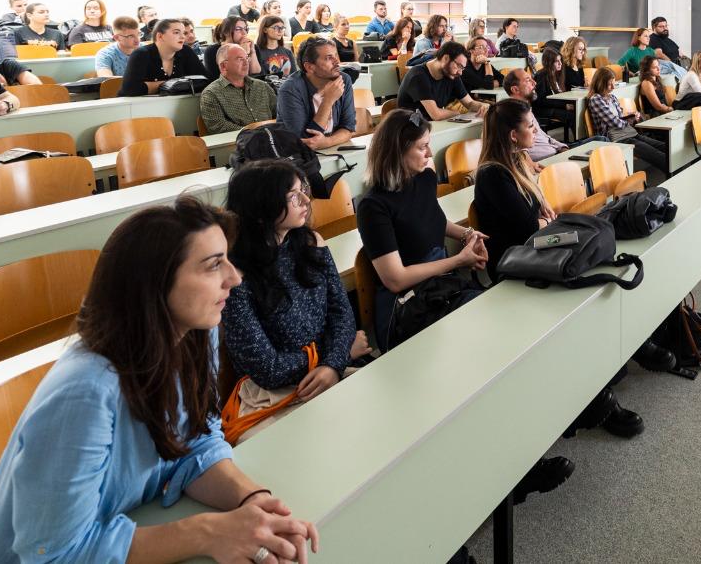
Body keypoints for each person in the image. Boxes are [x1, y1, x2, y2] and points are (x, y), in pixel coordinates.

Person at [0, 197, 320, 564]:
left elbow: (196, 442)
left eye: (227, 260)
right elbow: (56, 553)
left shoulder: (193, 334)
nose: (235, 278)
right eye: (212, 266)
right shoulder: (86, 392)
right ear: (155, 285)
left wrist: (254, 503)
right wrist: (208, 532)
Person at [473, 99, 647, 441]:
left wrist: (543, 218)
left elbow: (539, 219)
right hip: (517, 266)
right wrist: (543, 222)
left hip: (537, 252)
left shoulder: (517, 163)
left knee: (599, 277)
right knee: (581, 309)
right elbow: (529, 227)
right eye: (530, 127)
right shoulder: (493, 174)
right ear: (512, 135)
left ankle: (626, 358)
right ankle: (597, 403)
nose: (536, 131)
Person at [221, 160, 356, 409]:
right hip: (274, 395)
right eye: (293, 196)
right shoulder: (235, 276)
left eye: (303, 189)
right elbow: (268, 369)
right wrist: (336, 355)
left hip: (330, 370)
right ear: (261, 209)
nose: (306, 200)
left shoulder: (312, 243)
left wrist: (333, 364)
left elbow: (342, 313)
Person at [355, 109, 486, 346]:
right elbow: (396, 280)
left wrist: (468, 235)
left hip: (439, 288)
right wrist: (458, 261)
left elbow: (433, 220)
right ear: (398, 150)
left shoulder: (425, 178)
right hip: (406, 308)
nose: (430, 153)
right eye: (422, 147)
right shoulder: (373, 207)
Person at [586, 66, 668, 180]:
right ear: (600, 84)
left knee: (665, 147)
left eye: (614, 83)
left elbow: (620, 118)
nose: (613, 87)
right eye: (609, 84)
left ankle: (675, 171)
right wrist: (629, 119)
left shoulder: (612, 97)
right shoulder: (596, 99)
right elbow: (616, 123)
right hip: (617, 139)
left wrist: (632, 117)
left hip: (629, 133)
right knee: (658, 155)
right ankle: (673, 176)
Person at [276, 38, 357, 150]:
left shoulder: (343, 79)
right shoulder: (290, 89)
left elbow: (348, 128)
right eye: (329, 58)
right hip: (296, 155)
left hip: (331, 150)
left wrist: (327, 142)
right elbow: (304, 141)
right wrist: (328, 101)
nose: (337, 61)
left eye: (336, 55)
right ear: (310, 67)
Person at [397, 42, 488, 121]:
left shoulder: (451, 75)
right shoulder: (418, 75)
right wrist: (457, 113)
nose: (460, 72)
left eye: (462, 68)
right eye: (459, 66)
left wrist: (483, 106)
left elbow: (469, 103)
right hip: (411, 128)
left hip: (431, 126)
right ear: (445, 58)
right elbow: (436, 115)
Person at [200, 43, 278, 134]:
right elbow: (218, 127)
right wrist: (253, 133)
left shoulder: (262, 86)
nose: (246, 63)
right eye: (240, 59)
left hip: (271, 137)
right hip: (238, 141)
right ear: (223, 66)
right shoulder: (211, 93)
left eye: (246, 58)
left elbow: (280, 114)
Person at [120, 18, 209, 96]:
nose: (183, 37)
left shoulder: (186, 51)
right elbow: (130, 89)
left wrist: (152, 86)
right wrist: (172, 85)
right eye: (176, 32)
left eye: (183, 33)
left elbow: (205, 81)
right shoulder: (141, 54)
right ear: (160, 36)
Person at [503, 67, 567, 162]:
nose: (535, 83)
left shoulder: (525, 109)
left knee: (592, 141)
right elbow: (514, 148)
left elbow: (544, 137)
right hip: (547, 160)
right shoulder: (510, 114)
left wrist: (562, 147)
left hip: (556, 152)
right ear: (515, 89)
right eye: (528, 80)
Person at [253, 16, 295, 89]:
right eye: (276, 27)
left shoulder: (287, 52)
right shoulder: (256, 52)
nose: (280, 31)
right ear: (265, 29)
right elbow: (257, 78)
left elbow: (294, 76)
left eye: (282, 28)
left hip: (287, 90)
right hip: (267, 90)